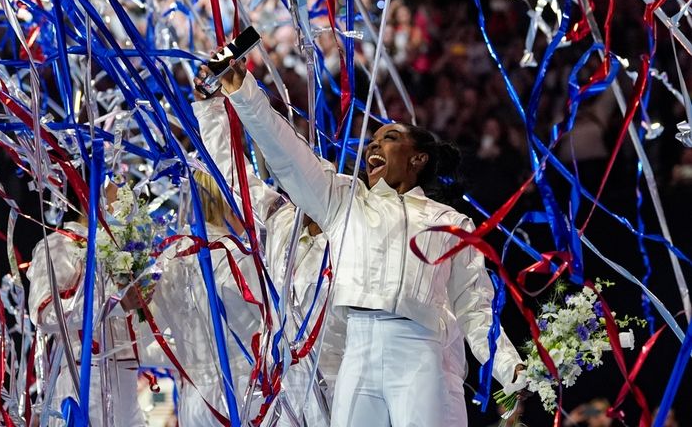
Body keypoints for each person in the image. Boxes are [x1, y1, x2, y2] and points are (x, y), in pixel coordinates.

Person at [209, 58, 526, 427]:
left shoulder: (449, 223)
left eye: (389, 139)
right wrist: (243, 90)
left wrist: (509, 367)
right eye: (372, 141)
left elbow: (475, 308)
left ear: (418, 158)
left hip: (418, 352)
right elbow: (288, 156)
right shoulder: (344, 202)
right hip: (356, 351)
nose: (374, 147)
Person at [191, 84, 343, 426]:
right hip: (287, 382)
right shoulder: (280, 218)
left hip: (340, 379)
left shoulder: (351, 231)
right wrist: (209, 108)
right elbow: (232, 174)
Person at [137, 170, 262, 426]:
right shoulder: (234, 253)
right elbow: (266, 324)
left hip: (196, 399)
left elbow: (145, 338)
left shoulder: (167, 260)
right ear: (227, 200)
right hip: (244, 392)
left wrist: (186, 357)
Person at [26, 181, 146, 426]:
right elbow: (45, 314)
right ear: (90, 196)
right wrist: (114, 303)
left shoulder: (127, 250)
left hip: (128, 383)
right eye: (116, 186)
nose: (126, 196)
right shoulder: (60, 246)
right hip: (85, 379)